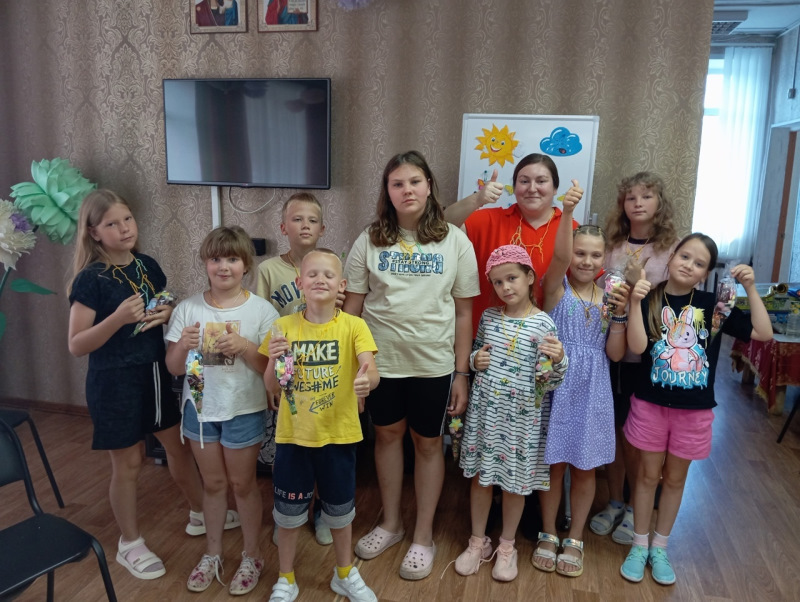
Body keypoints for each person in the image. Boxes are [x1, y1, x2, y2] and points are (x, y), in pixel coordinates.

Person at [344, 150, 480, 580]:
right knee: (386, 437)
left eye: (415, 181)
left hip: (433, 364)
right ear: (387, 191)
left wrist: (462, 373)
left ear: (429, 186)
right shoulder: (369, 239)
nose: (407, 190)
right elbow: (352, 309)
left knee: (427, 443)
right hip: (380, 363)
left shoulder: (455, 240)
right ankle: (391, 523)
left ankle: (423, 535)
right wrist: (351, 367)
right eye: (398, 183)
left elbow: (464, 313)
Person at [67, 189, 205, 580]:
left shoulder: (147, 264)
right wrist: (116, 320)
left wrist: (168, 310)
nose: (124, 228)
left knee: (178, 448)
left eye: (127, 219)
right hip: (113, 382)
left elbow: (162, 298)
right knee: (129, 462)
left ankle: (201, 511)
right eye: (112, 223)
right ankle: (129, 543)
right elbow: (76, 344)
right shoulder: (90, 279)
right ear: (94, 232)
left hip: (155, 373)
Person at [619, 233, 771, 585]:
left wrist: (750, 288)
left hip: (694, 413)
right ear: (672, 257)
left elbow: (762, 333)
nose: (689, 265)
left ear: (706, 273)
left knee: (674, 479)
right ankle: (639, 544)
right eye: (685, 256)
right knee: (646, 476)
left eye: (699, 263)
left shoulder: (714, 306)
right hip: (650, 406)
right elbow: (637, 347)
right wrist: (634, 301)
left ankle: (660, 547)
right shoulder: (650, 297)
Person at [165, 226, 278, 595]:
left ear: (246, 265)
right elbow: (174, 367)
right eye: (216, 259)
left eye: (232, 259)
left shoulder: (261, 310)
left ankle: (252, 555)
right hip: (200, 410)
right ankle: (212, 553)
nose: (224, 266)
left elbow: (270, 370)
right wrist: (182, 346)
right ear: (205, 263)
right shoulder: (187, 309)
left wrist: (244, 346)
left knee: (243, 484)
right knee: (213, 484)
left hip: (243, 408)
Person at [262, 249, 380, 602]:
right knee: (288, 517)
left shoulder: (354, 326)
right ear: (300, 282)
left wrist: (367, 381)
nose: (320, 280)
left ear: (341, 285)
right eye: (312, 274)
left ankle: (344, 574)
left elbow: (370, 369)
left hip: (339, 437)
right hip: (293, 439)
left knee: (340, 515)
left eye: (328, 275)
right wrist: (274, 359)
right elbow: (272, 386)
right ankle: (286, 578)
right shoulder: (283, 328)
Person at [454, 245, 568, 581]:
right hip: (487, 418)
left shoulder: (543, 323)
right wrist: (475, 360)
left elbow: (549, 380)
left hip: (522, 422)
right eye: (498, 282)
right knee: (481, 479)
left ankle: (507, 546)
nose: (506, 287)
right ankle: (478, 542)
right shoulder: (489, 318)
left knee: (515, 485)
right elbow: (477, 353)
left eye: (512, 278)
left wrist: (559, 360)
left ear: (530, 277)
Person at [532, 189, 630, 577]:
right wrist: (567, 211)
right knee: (553, 466)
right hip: (557, 386)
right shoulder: (556, 288)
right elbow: (558, 258)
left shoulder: (609, 298)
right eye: (579, 253)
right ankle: (547, 532)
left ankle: (575, 539)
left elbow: (616, 354)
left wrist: (620, 315)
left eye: (595, 255)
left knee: (585, 469)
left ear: (604, 260)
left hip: (592, 391)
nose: (586, 261)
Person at [590, 172, 679, 545]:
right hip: (611, 349)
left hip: (652, 355)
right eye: (631, 198)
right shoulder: (611, 245)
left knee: (640, 435)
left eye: (646, 196)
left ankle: (634, 506)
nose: (638, 203)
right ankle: (614, 500)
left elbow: (675, 301)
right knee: (614, 428)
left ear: (659, 203)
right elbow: (596, 290)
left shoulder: (672, 249)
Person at [255, 191, 335, 545]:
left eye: (312, 220)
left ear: (322, 228)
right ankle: (288, 512)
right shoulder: (268, 270)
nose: (305, 225)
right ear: (283, 227)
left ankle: (322, 511)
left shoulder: (331, 266)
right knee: (286, 451)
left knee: (323, 449)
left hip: (324, 373)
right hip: (286, 374)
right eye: (297, 219)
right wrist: (268, 380)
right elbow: (260, 321)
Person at [444, 154, 581, 333]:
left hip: (543, 339)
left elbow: (584, 284)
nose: (532, 188)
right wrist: (477, 199)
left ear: (555, 188)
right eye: (524, 181)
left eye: (541, 181)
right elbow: (441, 227)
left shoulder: (571, 229)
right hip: (487, 337)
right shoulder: (490, 220)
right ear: (515, 188)